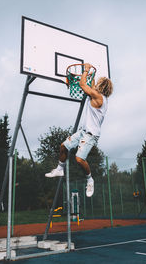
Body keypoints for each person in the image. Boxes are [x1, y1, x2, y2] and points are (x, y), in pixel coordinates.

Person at [45, 63, 113, 197]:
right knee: (63, 146)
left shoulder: (99, 98)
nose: (96, 84)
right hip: (84, 131)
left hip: (91, 135)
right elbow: (91, 85)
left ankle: (90, 180)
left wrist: (86, 70)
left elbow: (83, 85)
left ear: (102, 86)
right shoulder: (96, 95)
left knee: (79, 159)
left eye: (99, 83)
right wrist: (91, 76)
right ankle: (60, 169)